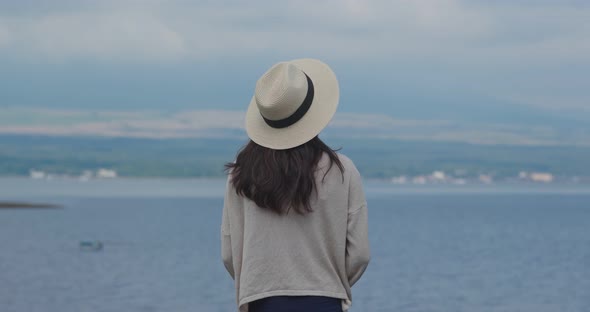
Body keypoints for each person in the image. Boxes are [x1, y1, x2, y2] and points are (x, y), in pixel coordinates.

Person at [221, 58, 370, 312]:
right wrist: (330, 282)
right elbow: (360, 254)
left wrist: (259, 281)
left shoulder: (242, 173)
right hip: (324, 300)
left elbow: (229, 253)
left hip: (262, 301)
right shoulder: (342, 170)